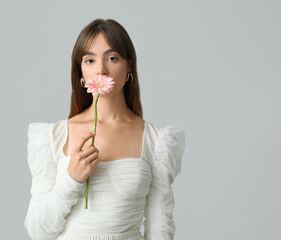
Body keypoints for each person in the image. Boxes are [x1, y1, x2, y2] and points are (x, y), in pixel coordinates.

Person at [24, 18, 185, 240]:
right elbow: (37, 231)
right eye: (90, 60)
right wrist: (71, 179)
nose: (101, 70)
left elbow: (160, 228)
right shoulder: (53, 137)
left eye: (112, 58)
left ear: (129, 65)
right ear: (80, 71)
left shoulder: (157, 141)